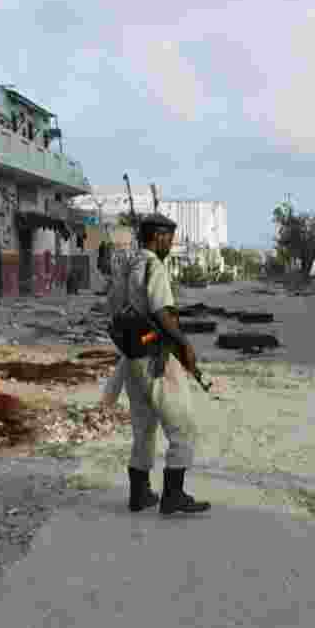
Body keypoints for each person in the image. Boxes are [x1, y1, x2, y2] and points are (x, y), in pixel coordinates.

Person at [109, 213, 210, 516]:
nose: (171, 243)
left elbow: (113, 309)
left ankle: (139, 495)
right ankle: (173, 495)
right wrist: (185, 345)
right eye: (170, 237)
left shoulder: (126, 266)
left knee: (145, 430)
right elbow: (162, 312)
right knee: (183, 428)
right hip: (155, 358)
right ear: (160, 236)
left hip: (131, 358)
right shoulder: (154, 265)